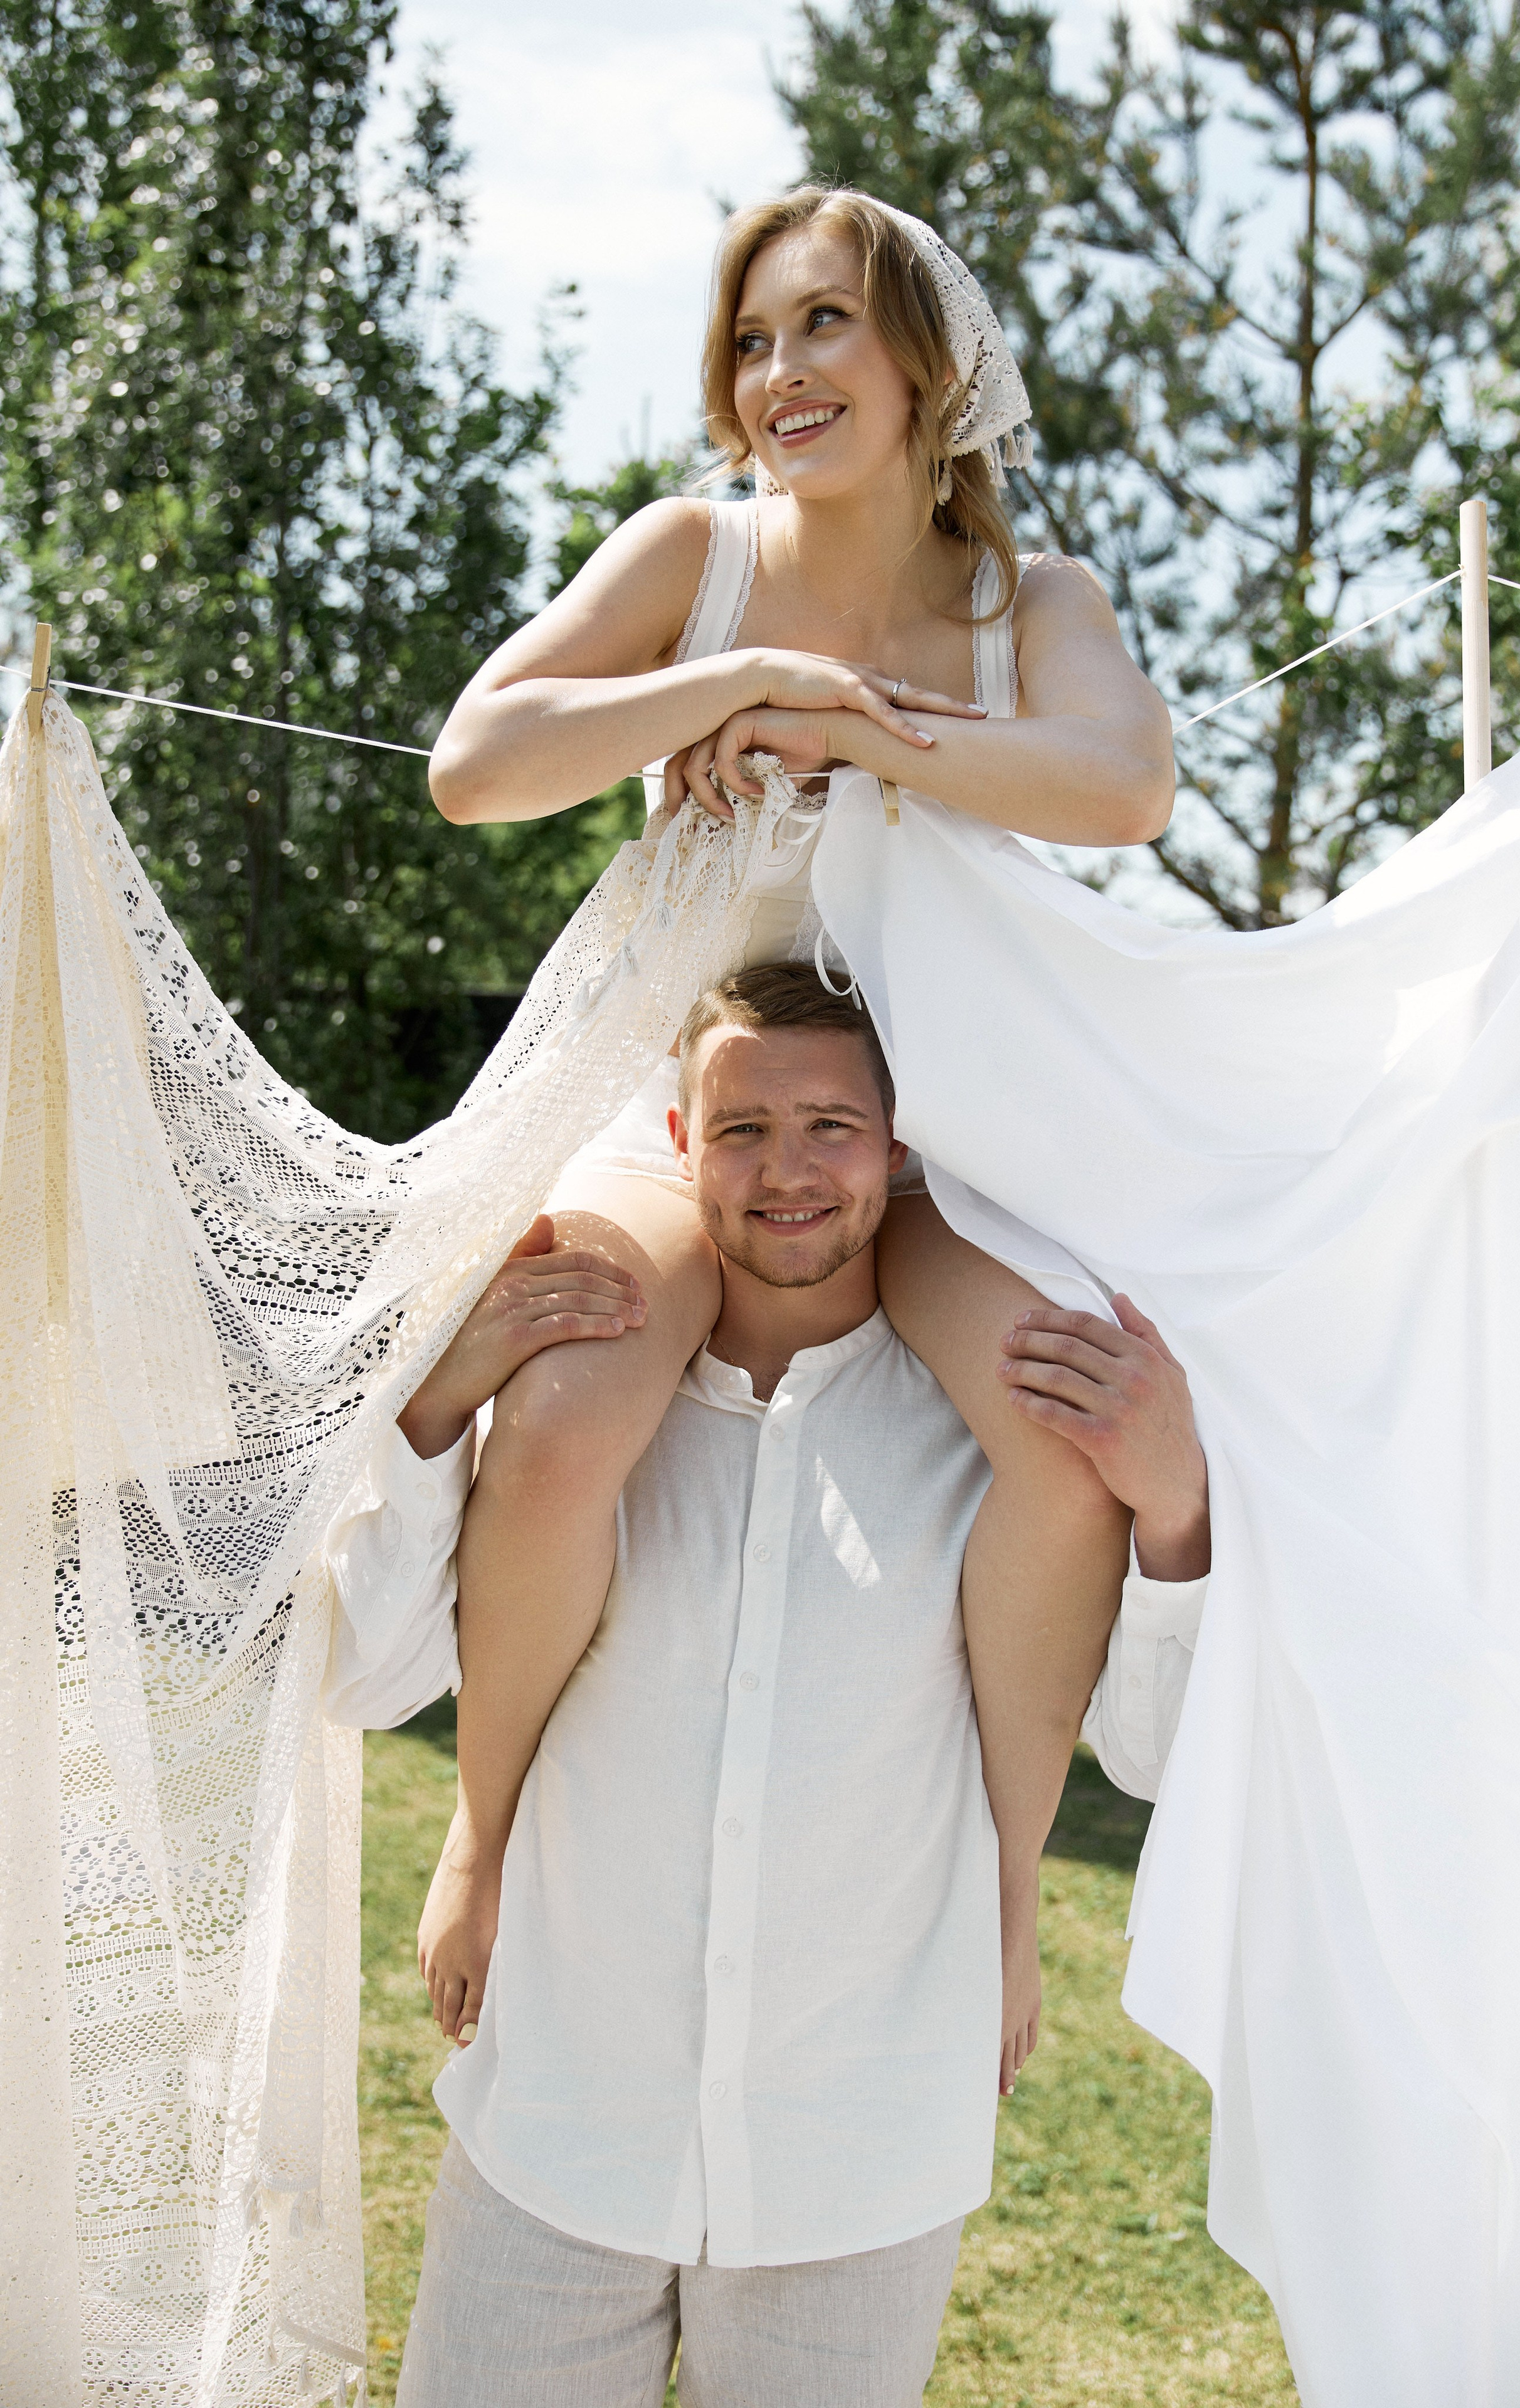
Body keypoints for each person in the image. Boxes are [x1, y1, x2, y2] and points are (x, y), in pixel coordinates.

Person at [416, 185, 1178, 2093]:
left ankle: (1007, 1903)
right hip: (699, 1103)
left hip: (940, 1139)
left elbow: (1129, 787)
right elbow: (475, 765)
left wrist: (859, 730)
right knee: (575, 1399)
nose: (780, 375)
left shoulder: (1033, 604)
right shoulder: (699, 552)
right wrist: (734, 681)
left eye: (824, 326)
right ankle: (482, 1828)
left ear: (925, 356)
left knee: (1064, 1426)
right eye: (753, 341)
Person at [324, 964, 1210, 2407]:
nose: (785, 1173)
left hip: (856, 2164)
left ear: (902, 1147)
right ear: (676, 1142)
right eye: (739, 1130)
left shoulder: (1002, 1447)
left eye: (829, 1129)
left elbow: (1151, 1757)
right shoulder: (578, 1415)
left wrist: (1173, 1510)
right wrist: (434, 1405)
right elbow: (370, 1678)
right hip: (556, 2124)